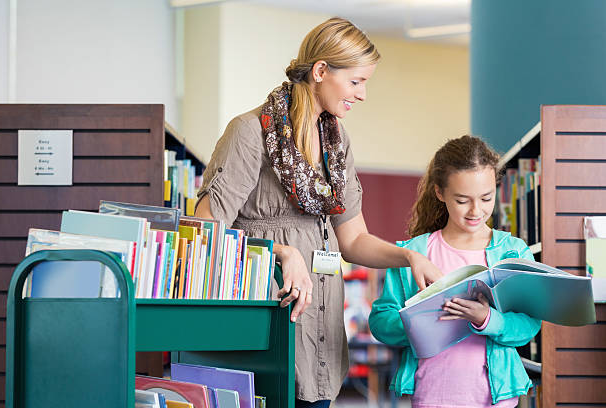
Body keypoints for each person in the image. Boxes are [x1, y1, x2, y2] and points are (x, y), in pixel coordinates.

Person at [194, 17, 443, 408]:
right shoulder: (249, 132)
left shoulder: (337, 140)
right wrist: (281, 252)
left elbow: (353, 240)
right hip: (269, 321)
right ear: (321, 71)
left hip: (323, 332)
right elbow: (206, 228)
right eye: (356, 81)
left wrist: (409, 256)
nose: (362, 95)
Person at [369, 135, 542, 407]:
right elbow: (380, 321)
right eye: (462, 200)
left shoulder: (513, 251)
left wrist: (487, 319)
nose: (476, 211)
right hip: (431, 393)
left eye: (486, 198)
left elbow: (528, 326)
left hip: (495, 397)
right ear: (440, 193)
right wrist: (422, 321)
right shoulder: (415, 252)